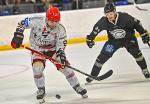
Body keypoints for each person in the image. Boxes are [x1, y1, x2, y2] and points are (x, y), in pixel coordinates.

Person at [11, 5, 87, 102]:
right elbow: (22, 23)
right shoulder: (38, 21)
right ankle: (41, 89)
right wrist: (18, 34)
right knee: (37, 68)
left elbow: (61, 45)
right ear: (47, 18)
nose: (54, 23)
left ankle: (77, 86)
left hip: (52, 50)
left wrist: (61, 55)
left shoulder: (60, 29)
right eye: (52, 21)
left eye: (56, 21)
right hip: (37, 49)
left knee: (66, 68)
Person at [86, 3, 150, 83]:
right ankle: (93, 75)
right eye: (107, 14)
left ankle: (144, 70)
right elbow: (95, 30)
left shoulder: (125, 17)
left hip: (128, 39)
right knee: (102, 57)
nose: (109, 16)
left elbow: (137, 24)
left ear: (115, 11)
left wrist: (143, 33)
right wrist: (90, 39)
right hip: (113, 41)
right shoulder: (103, 21)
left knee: (137, 53)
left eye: (111, 13)